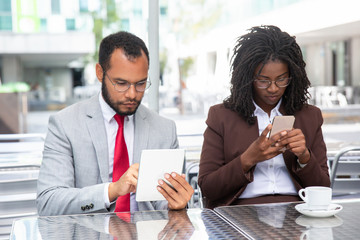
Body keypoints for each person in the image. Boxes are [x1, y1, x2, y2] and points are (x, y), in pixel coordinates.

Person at [37, 31, 194, 216]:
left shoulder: (164, 130)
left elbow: (162, 203)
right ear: (99, 73)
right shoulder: (65, 125)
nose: (132, 94)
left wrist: (176, 204)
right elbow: (49, 203)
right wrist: (112, 191)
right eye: (121, 83)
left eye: (141, 83)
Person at [198, 25, 330, 209]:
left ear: (293, 76)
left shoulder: (309, 116)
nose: (273, 88)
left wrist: (304, 157)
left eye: (282, 79)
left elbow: (323, 187)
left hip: (298, 211)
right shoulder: (221, 116)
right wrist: (248, 159)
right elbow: (208, 188)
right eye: (263, 80)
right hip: (240, 212)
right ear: (247, 78)